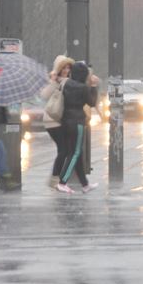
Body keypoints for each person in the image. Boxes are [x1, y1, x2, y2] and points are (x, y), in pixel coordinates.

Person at [56, 61, 99, 194]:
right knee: (75, 153)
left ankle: (85, 184)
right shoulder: (83, 87)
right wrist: (93, 86)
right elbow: (91, 103)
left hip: (65, 121)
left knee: (75, 152)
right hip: (78, 122)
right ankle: (63, 182)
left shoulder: (66, 83)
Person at [41, 55, 74, 189]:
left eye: (68, 67)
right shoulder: (56, 81)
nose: (66, 70)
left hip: (60, 120)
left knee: (65, 150)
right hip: (52, 120)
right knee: (64, 150)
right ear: (58, 69)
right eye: (64, 68)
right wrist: (54, 81)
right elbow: (44, 95)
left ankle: (57, 178)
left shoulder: (67, 81)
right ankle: (54, 178)